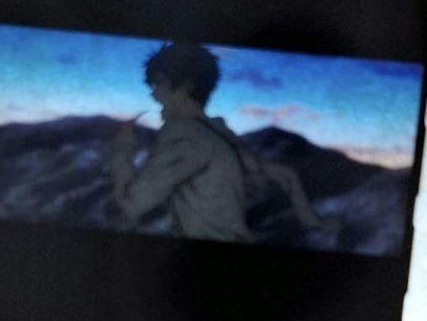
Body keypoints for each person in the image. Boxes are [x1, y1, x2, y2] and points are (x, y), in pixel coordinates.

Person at [108, 41, 333, 242]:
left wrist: (122, 150)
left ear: (186, 87)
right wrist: (313, 221)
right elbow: (285, 175)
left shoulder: (185, 135)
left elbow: (132, 204)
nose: (154, 94)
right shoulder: (219, 132)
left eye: (159, 83)